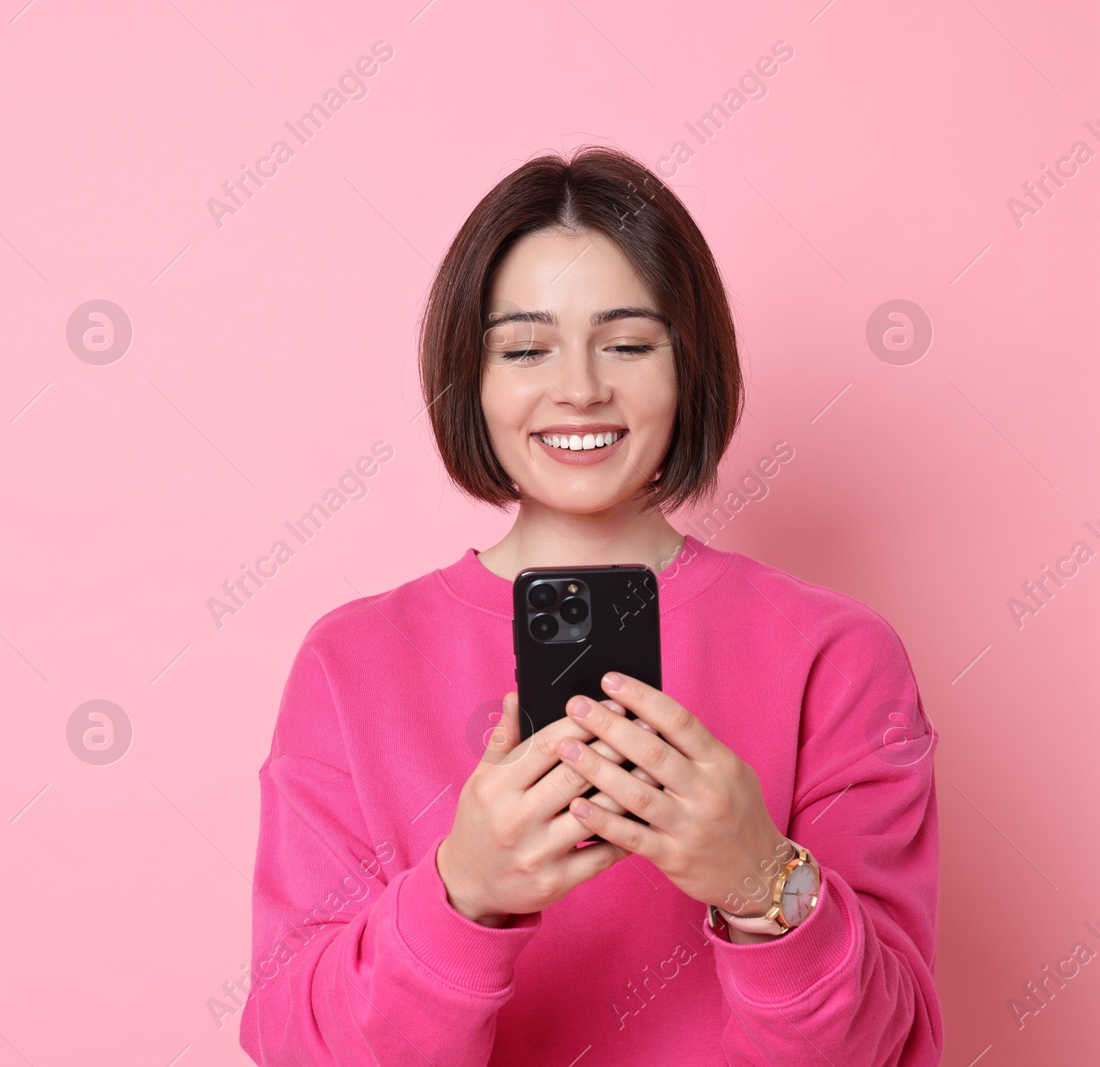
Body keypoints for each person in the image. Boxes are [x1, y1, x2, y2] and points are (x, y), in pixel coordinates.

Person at [238, 146, 943, 1065]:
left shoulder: (839, 654)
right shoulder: (351, 662)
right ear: (471, 380)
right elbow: (298, 1046)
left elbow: (889, 1051)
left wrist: (759, 876)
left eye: (628, 342)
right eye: (526, 347)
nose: (579, 386)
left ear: (690, 366)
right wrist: (463, 891)